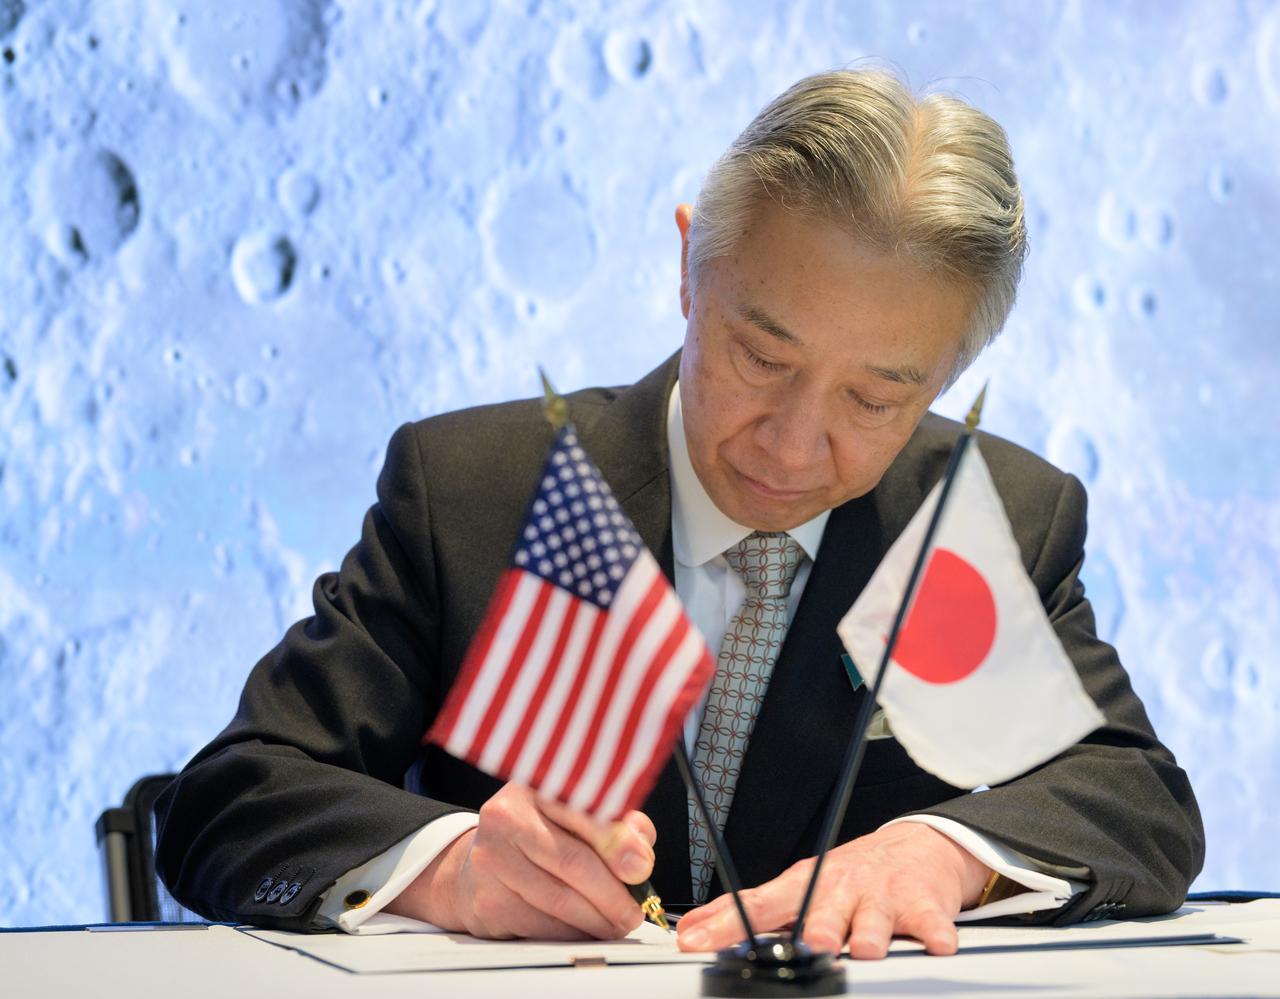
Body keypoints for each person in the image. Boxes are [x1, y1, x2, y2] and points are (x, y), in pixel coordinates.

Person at [154, 69, 1204, 959]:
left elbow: (1133, 800)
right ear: (688, 270)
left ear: (950, 374)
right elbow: (231, 800)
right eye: (761, 356)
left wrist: (945, 853)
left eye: (874, 398)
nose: (792, 446)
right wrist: (451, 868)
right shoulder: (472, 491)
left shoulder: (980, 519)